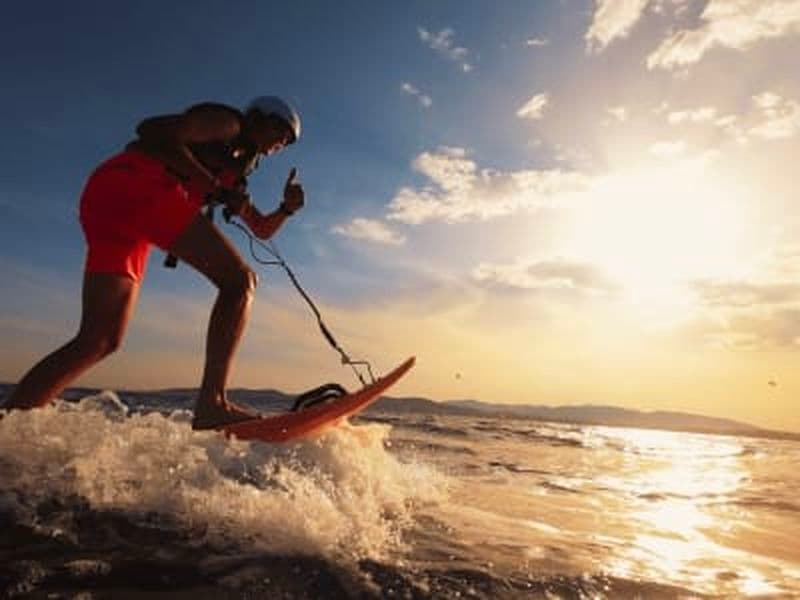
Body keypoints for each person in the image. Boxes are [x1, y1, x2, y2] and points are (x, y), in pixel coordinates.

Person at [3, 96, 305, 429]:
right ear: (260, 118)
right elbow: (152, 130)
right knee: (239, 282)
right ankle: (212, 405)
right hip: (135, 183)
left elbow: (260, 229)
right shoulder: (228, 124)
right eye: (281, 131)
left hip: (111, 203)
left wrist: (286, 209)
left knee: (100, 339)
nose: (282, 143)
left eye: (288, 141)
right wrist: (210, 183)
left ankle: (10, 423)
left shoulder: (236, 171)